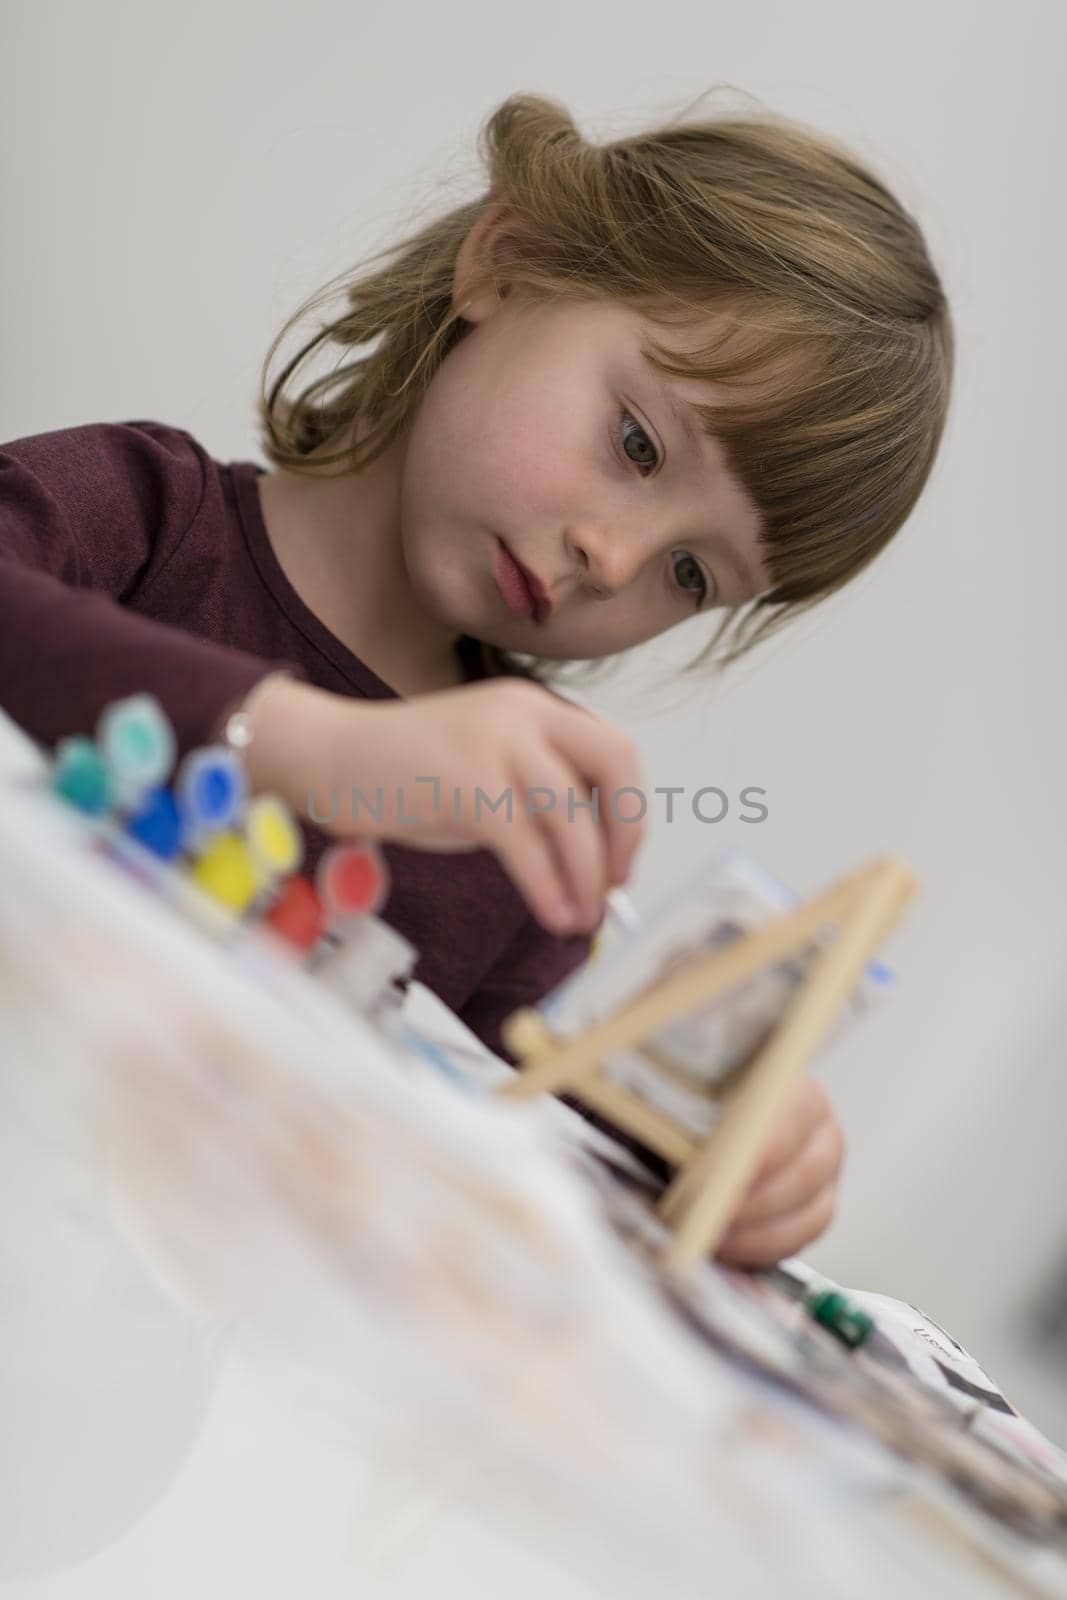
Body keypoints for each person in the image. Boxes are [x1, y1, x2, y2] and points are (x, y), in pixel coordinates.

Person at [0, 91, 953, 1267]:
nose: (614, 559)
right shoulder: (139, 517)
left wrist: (713, 1140)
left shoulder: (511, 831)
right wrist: (313, 751)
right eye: (638, 446)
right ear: (507, 261)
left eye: (692, 574)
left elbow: (530, 1131)